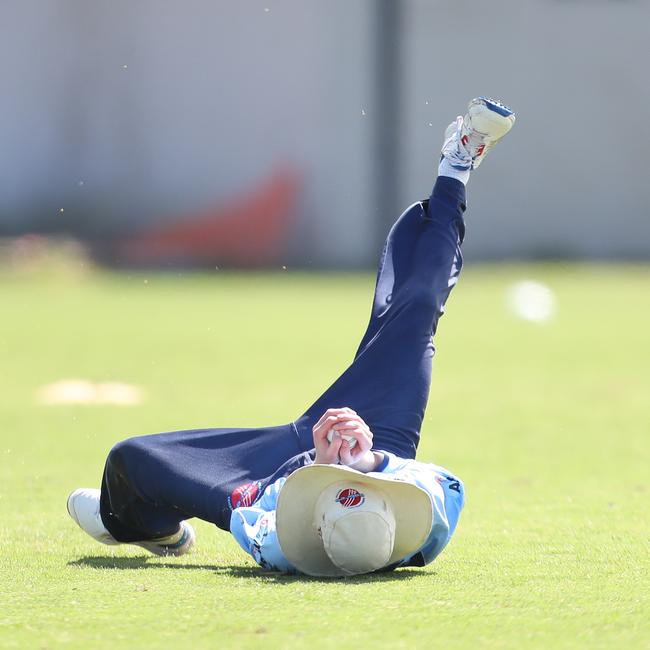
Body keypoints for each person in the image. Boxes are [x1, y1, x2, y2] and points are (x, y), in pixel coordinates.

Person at [67, 97, 515, 576]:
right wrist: (368, 459)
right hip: (377, 433)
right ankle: (458, 163)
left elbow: (251, 496)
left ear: (314, 530)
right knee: (419, 308)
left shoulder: (274, 535)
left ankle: (147, 526)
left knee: (130, 458)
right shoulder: (428, 515)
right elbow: (443, 481)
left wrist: (315, 464)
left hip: (284, 476)